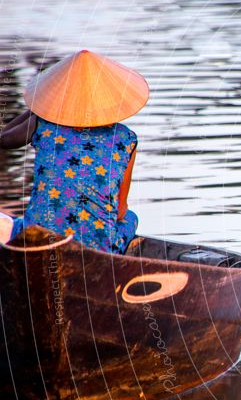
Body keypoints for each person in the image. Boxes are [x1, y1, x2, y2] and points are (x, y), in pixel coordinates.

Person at [0, 50, 149, 254]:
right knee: (131, 217)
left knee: (10, 223)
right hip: (100, 246)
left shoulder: (44, 123)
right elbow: (120, 210)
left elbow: (5, 139)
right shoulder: (126, 139)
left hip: (35, 234)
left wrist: (40, 108)